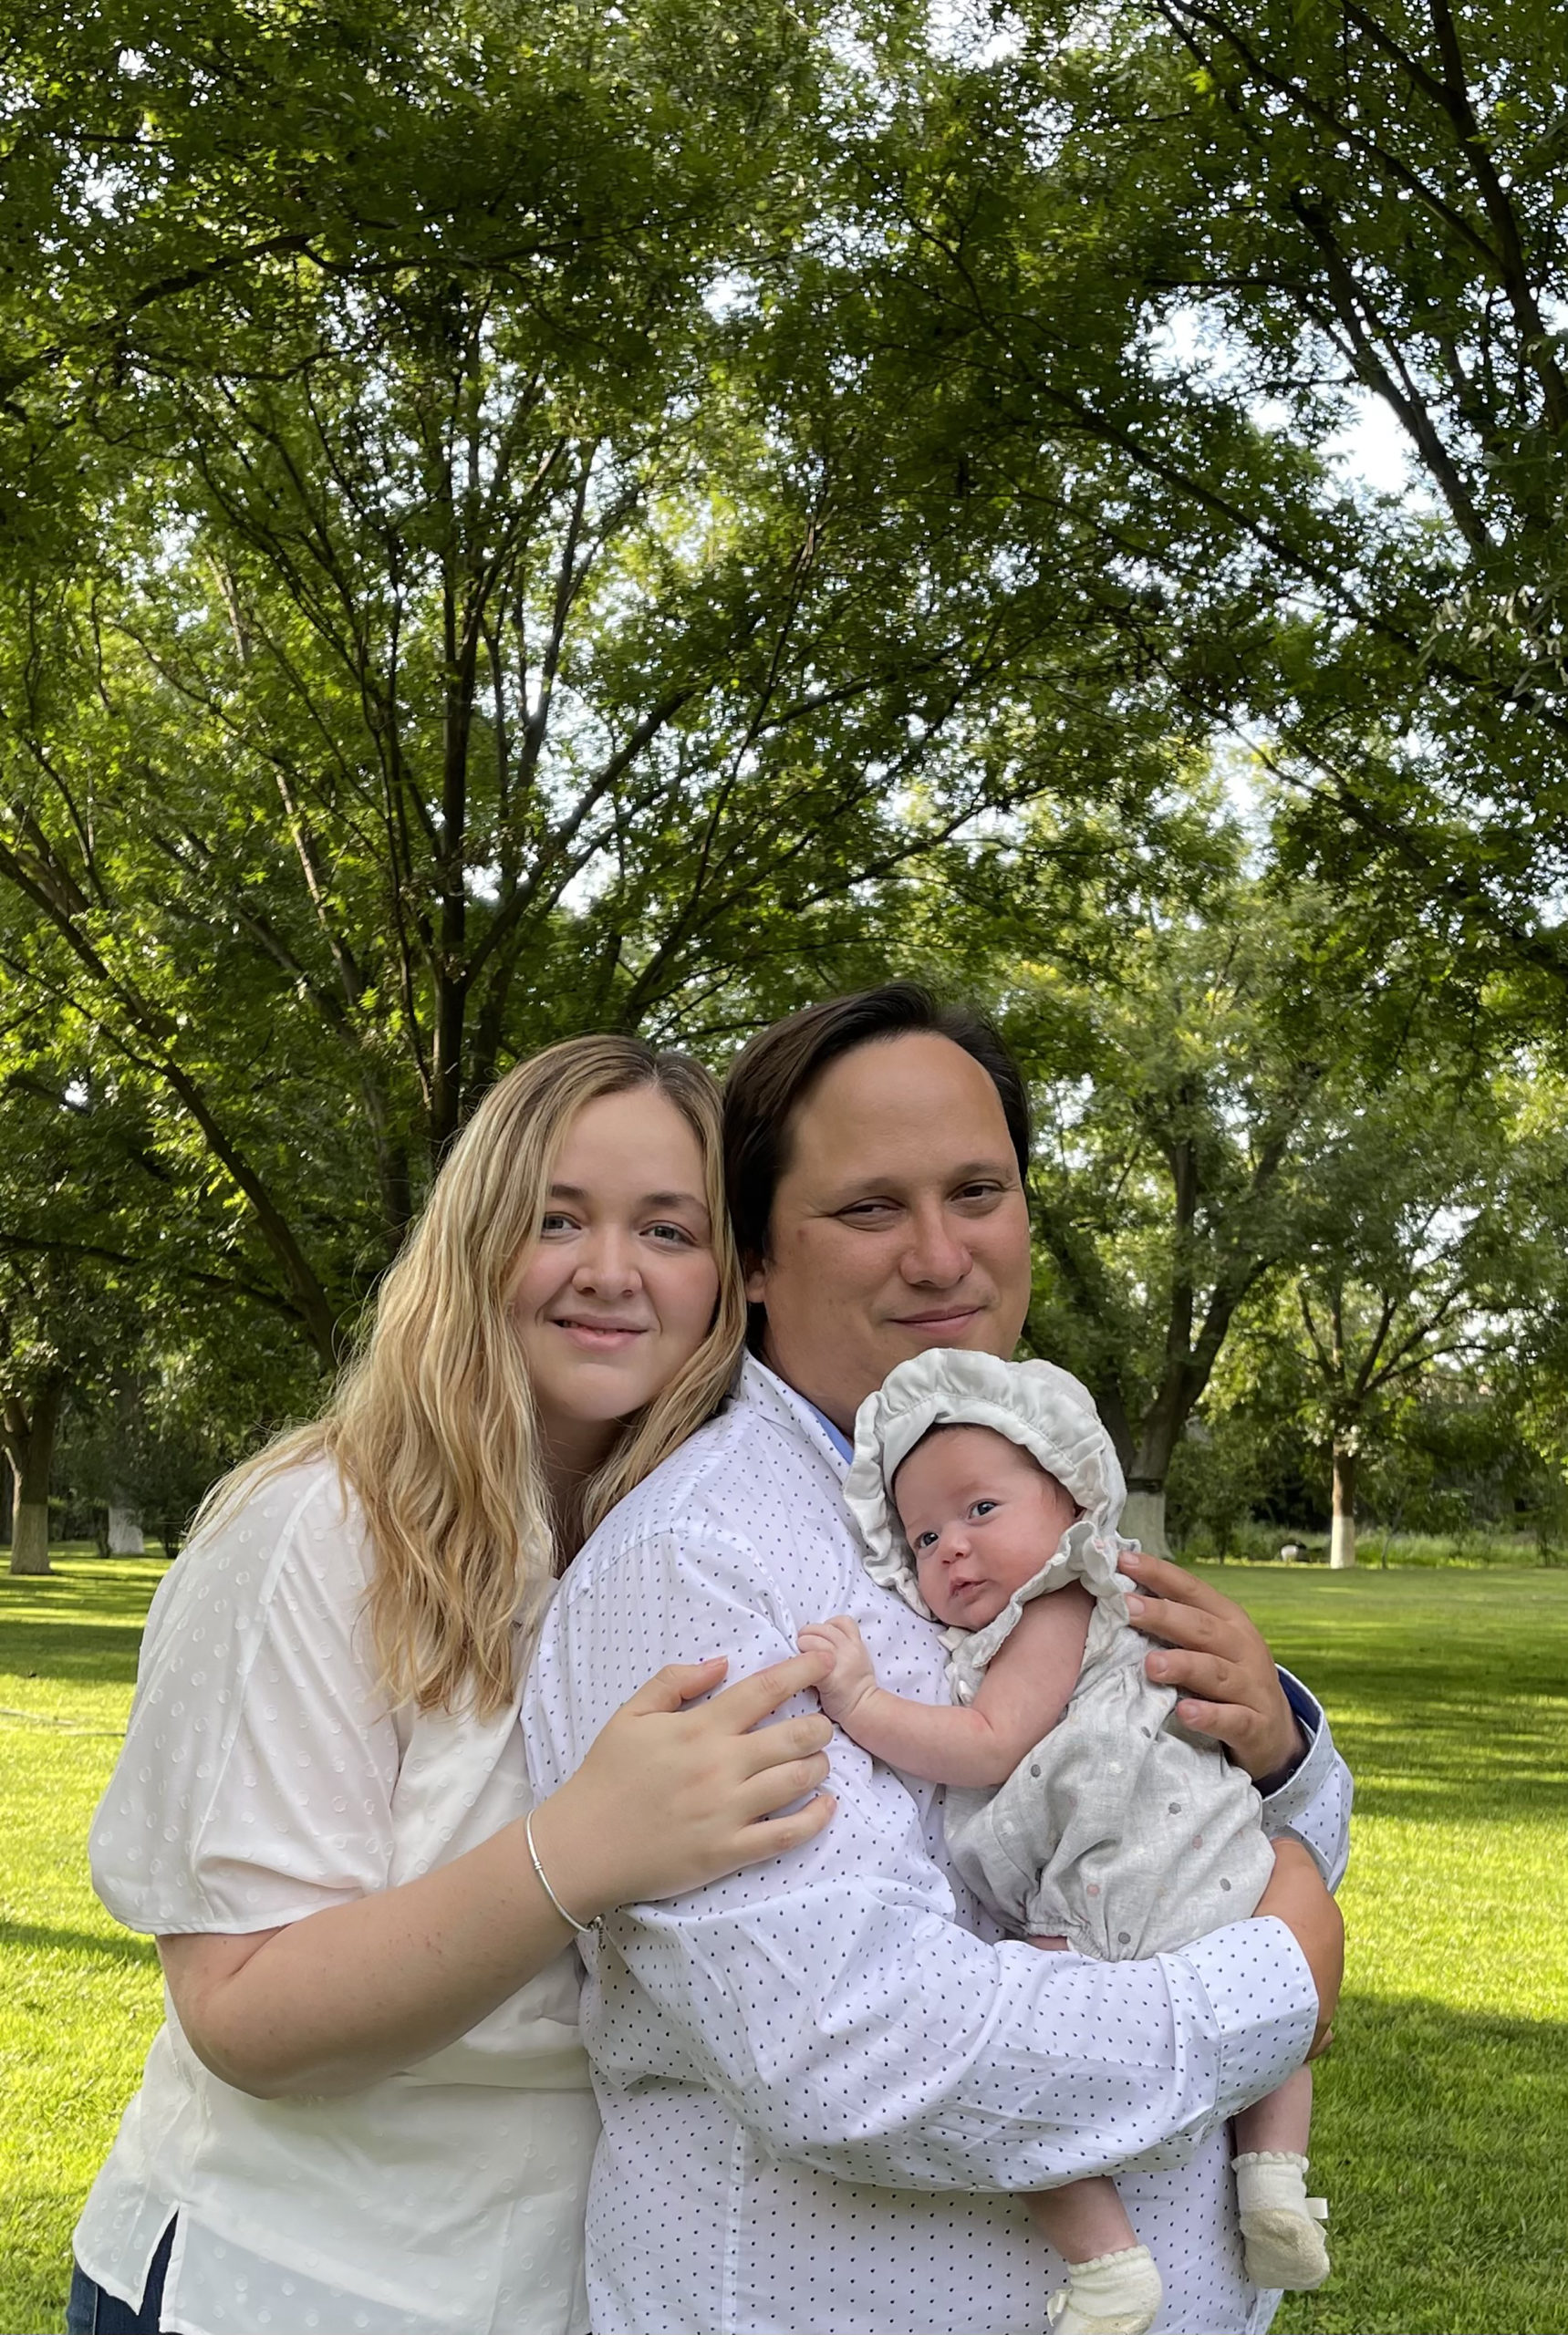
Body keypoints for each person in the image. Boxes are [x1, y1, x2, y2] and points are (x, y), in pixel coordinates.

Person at [524, 982, 1348, 2335]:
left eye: (978, 1191)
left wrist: (1287, 1758)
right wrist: (1274, 1976)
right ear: (753, 1260)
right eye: (867, 1209)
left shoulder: (1022, 1489)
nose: (939, 1255)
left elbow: (1171, 1806)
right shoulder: (709, 1563)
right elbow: (855, 2048)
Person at [71, 1035, 836, 2335]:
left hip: (591, 2291)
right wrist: (574, 1853)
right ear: (474, 1239)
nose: (609, 1271)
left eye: (667, 1227)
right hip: (296, 2285)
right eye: (556, 1219)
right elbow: (242, 2013)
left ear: (730, 1276)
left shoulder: (721, 1548)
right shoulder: (314, 1529)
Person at [802, 1346, 1331, 2335]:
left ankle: (1108, 2265)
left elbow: (989, 1742)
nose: (950, 1548)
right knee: (1278, 2015)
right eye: (921, 1536)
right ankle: (1273, 2187)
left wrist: (864, 1700)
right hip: (1216, 1859)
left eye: (981, 1511)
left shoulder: (1055, 1603)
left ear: (1068, 1507)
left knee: (1029, 2077)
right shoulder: (1098, 1609)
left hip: (1113, 1885)